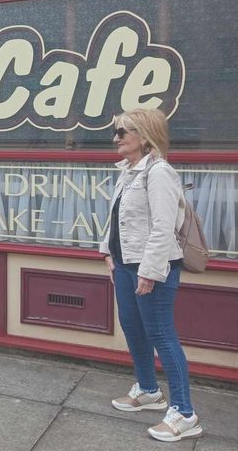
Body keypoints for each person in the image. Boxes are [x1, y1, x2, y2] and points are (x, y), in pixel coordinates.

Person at [100, 108, 201, 442]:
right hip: (125, 265)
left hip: (152, 269)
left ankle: (185, 413)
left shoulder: (159, 173)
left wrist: (151, 271)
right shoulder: (128, 171)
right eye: (115, 132)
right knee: (133, 328)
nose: (116, 138)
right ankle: (148, 391)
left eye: (122, 131)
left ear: (144, 136)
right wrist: (107, 252)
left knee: (161, 335)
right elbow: (116, 218)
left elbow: (163, 226)